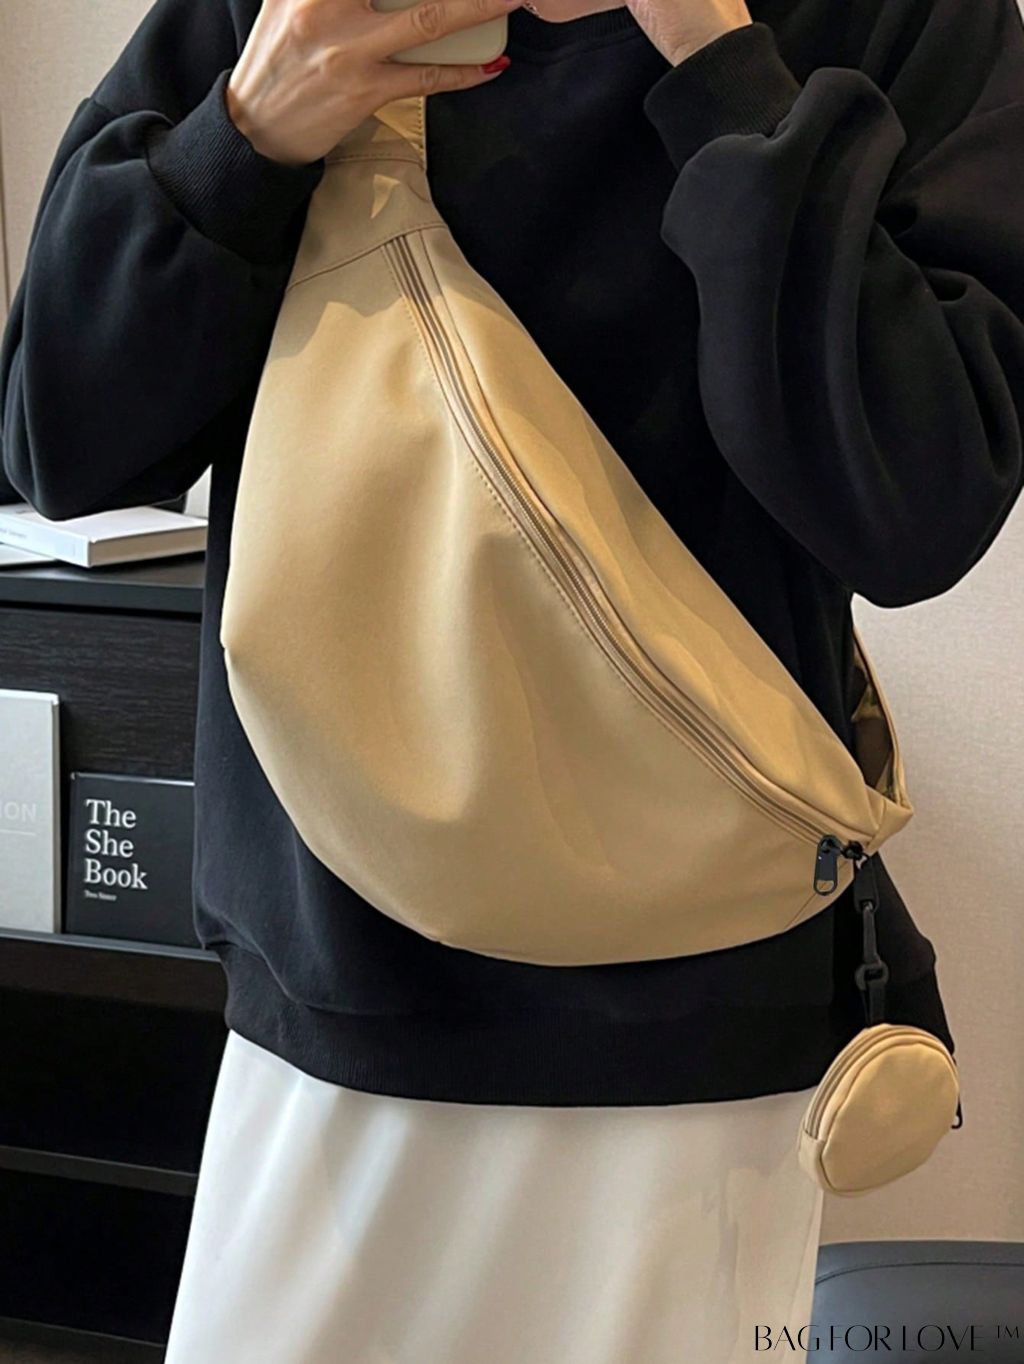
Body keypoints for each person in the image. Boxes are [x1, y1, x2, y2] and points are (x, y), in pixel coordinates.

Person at [2, 0, 1023, 1356]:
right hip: (337, 998)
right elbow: (55, 441)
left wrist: (720, 65)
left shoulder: (901, 18)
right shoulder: (300, 10)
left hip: (697, 1040)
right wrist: (244, 137)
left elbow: (918, 501)